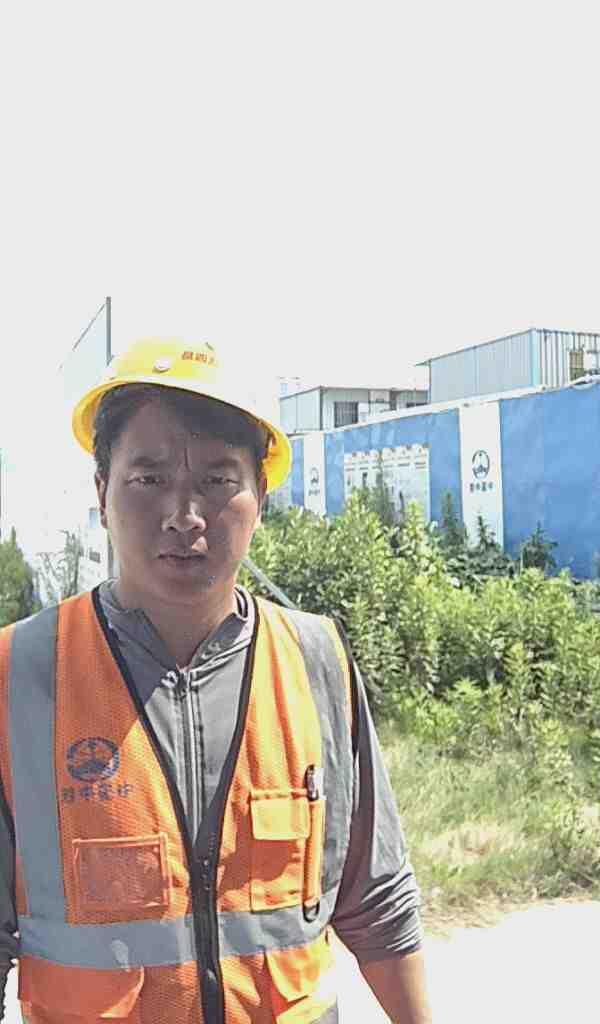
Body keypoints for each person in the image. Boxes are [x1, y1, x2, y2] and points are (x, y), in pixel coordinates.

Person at [0, 338, 432, 1023]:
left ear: (261, 496)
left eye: (217, 480)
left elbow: (376, 899)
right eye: (149, 479)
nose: (184, 516)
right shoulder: (20, 672)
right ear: (102, 492)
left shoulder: (315, 660)